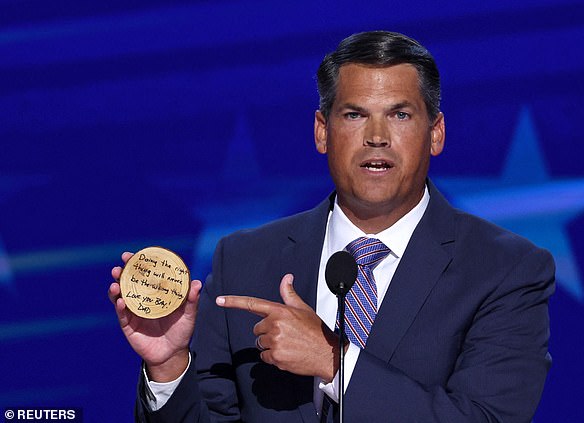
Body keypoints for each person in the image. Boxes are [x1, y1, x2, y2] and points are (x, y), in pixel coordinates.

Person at [109, 30, 555, 422]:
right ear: (322, 131)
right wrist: (168, 367)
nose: (376, 136)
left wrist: (334, 362)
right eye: (354, 115)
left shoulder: (505, 269)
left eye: (400, 115)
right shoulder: (244, 261)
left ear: (435, 133)